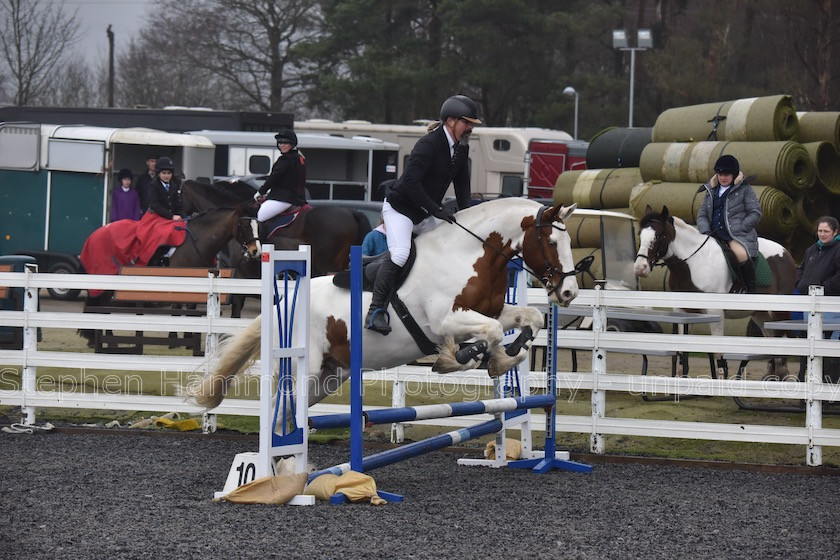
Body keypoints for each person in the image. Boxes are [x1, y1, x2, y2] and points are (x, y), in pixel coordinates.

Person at [365, 94, 481, 334]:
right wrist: (435, 209)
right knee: (400, 254)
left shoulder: (461, 148)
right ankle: (376, 311)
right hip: (401, 209)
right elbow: (410, 183)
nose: (470, 127)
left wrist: (469, 217)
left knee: (444, 252)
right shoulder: (428, 145)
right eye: (466, 122)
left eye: (471, 123)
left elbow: (462, 186)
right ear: (450, 120)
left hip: (423, 213)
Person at [696, 154, 762, 293]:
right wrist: (705, 231)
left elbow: (755, 212)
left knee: (741, 254)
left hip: (734, 235)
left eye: (726, 174)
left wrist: (742, 227)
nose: (722, 177)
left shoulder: (744, 189)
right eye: (720, 174)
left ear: (734, 175)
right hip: (712, 233)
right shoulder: (710, 191)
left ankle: (749, 289)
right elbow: (701, 215)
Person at [255, 129, 307, 223]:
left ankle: (261, 238)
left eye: (286, 143)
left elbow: (273, 178)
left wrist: (261, 191)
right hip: (298, 198)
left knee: (258, 217)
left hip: (283, 198)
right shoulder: (299, 158)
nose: (282, 145)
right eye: (280, 142)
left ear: (292, 144)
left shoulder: (285, 159)